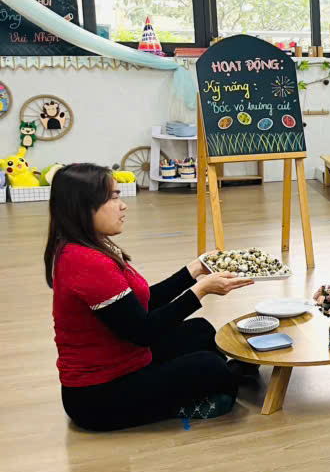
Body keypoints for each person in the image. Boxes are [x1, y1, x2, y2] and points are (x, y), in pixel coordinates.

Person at [48, 163, 252, 431]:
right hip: (97, 396)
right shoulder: (85, 261)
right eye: (113, 198)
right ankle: (208, 390)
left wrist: (194, 270)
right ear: (83, 207)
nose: (123, 206)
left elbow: (140, 306)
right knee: (209, 366)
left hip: (127, 359)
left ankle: (221, 380)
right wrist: (201, 290)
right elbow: (143, 331)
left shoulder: (89, 246)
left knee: (201, 331)